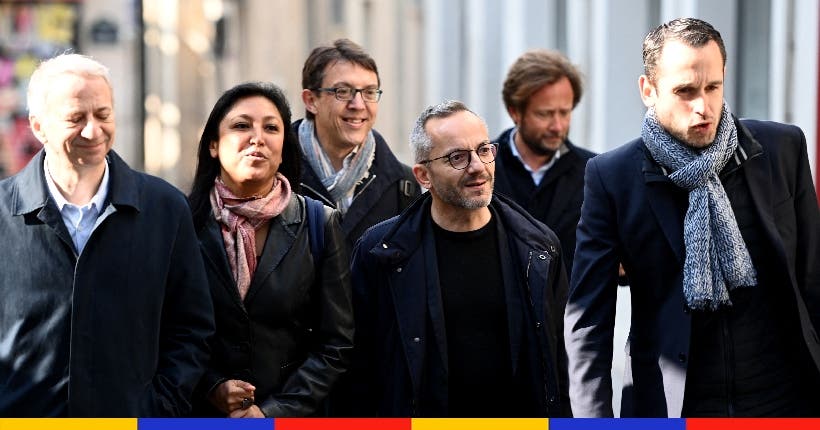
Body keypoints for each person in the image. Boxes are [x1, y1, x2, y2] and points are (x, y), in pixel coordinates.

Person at [565, 17, 820, 417]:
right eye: (685, 91)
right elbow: (588, 321)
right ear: (648, 90)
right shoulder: (611, 178)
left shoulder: (781, 149)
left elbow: (813, 277)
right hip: (673, 405)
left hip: (783, 401)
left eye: (713, 87)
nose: (703, 106)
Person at [0, 53, 214, 416]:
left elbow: (191, 329)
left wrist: (157, 409)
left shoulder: (165, 209)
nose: (92, 131)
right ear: (39, 127)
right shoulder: (3, 212)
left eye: (103, 115)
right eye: (75, 118)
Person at [349, 100, 570, 417]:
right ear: (424, 175)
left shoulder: (538, 247)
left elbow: (561, 359)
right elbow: (359, 370)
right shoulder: (381, 251)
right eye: (457, 157)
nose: (478, 166)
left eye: (483, 150)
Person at [187, 82, 353, 418]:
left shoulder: (319, 223)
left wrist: (274, 412)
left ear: (283, 146)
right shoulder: (182, 224)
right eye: (241, 125)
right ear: (214, 146)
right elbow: (164, 330)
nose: (257, 138)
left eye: (271, 128)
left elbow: (336, 344)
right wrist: (211, 386)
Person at [296, 38, 421, 249]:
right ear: (311, 101)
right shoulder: (275, 175)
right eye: (343, 91)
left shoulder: (404, 185)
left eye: (370, 92)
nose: (358, 104)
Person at [495, 49, 596, 274]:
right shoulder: (482, 169)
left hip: (570, 309)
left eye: (565, 113)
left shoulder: (595, 173)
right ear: (515, 112)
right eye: (545, 114)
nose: (557, 126)